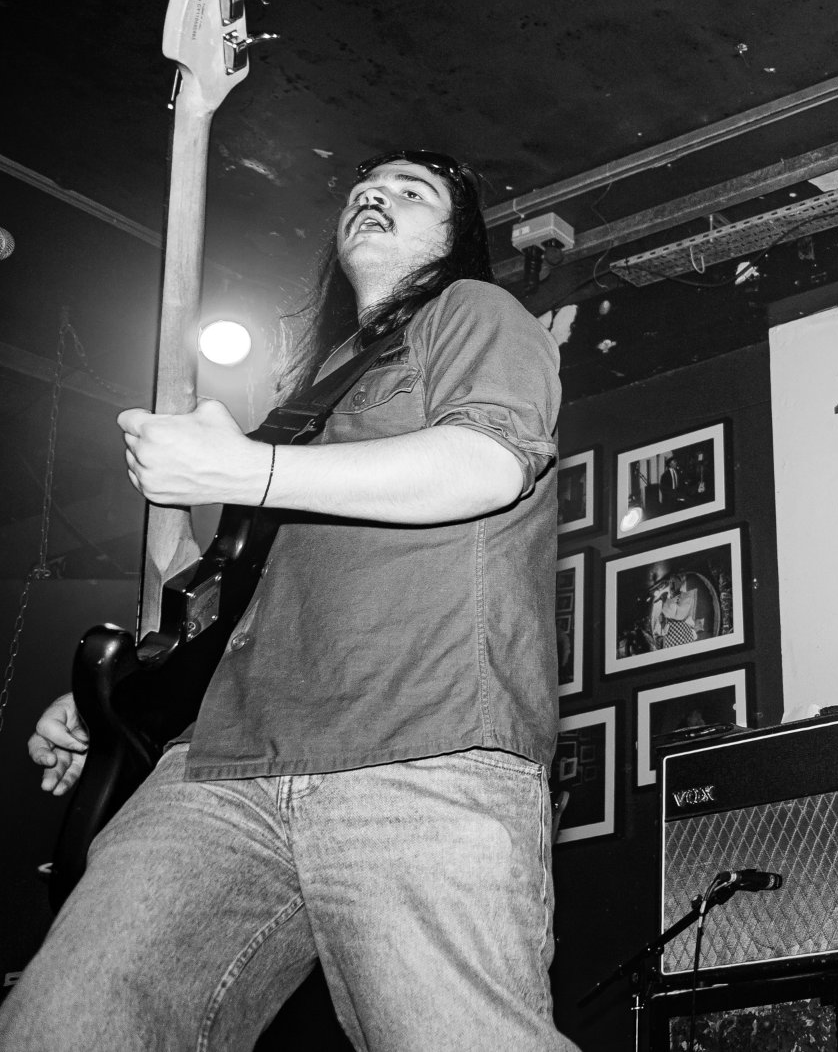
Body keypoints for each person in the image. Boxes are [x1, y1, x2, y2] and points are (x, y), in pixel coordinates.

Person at [7, 150, 576, 1051]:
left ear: (454, 236)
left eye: (408, 191)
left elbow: (487, 464)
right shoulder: (305, 390)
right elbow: (225, 594)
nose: (373, 197)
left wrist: (247, 467)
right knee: (63, 1021)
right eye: (362, 191)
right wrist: (116, 699)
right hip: (217, 766)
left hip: (417, 748)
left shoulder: (478, 312)